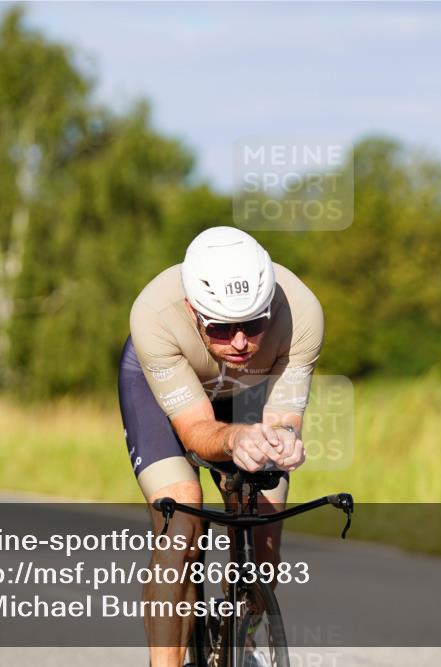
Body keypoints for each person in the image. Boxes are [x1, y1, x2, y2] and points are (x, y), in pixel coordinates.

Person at [118, 226, 324, 667]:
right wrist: (235, 438)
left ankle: (242, 642)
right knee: (182, 521)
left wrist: (284, 442)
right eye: (221, 327)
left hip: (250, 394)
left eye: (253, 324)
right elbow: (196, 431)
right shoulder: (155, 312)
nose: (240, 342)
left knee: (265, 537)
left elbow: (283, 419)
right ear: (193, 310)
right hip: (169, 394)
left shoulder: (301, 311)